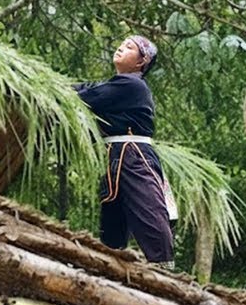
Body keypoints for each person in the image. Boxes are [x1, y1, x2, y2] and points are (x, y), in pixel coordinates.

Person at [74, 35, 175, 266]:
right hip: (116, 157)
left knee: (149, 211)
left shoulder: (133, 85)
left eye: (129, 47)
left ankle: (165, 270)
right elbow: (93, 88)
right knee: (113, 219)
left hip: (134, 155)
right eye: (122, 44)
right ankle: (111, 268)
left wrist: (63, 90)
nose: (121, 47)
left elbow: (87, 96)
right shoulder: (116, 85)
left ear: (141, 62)